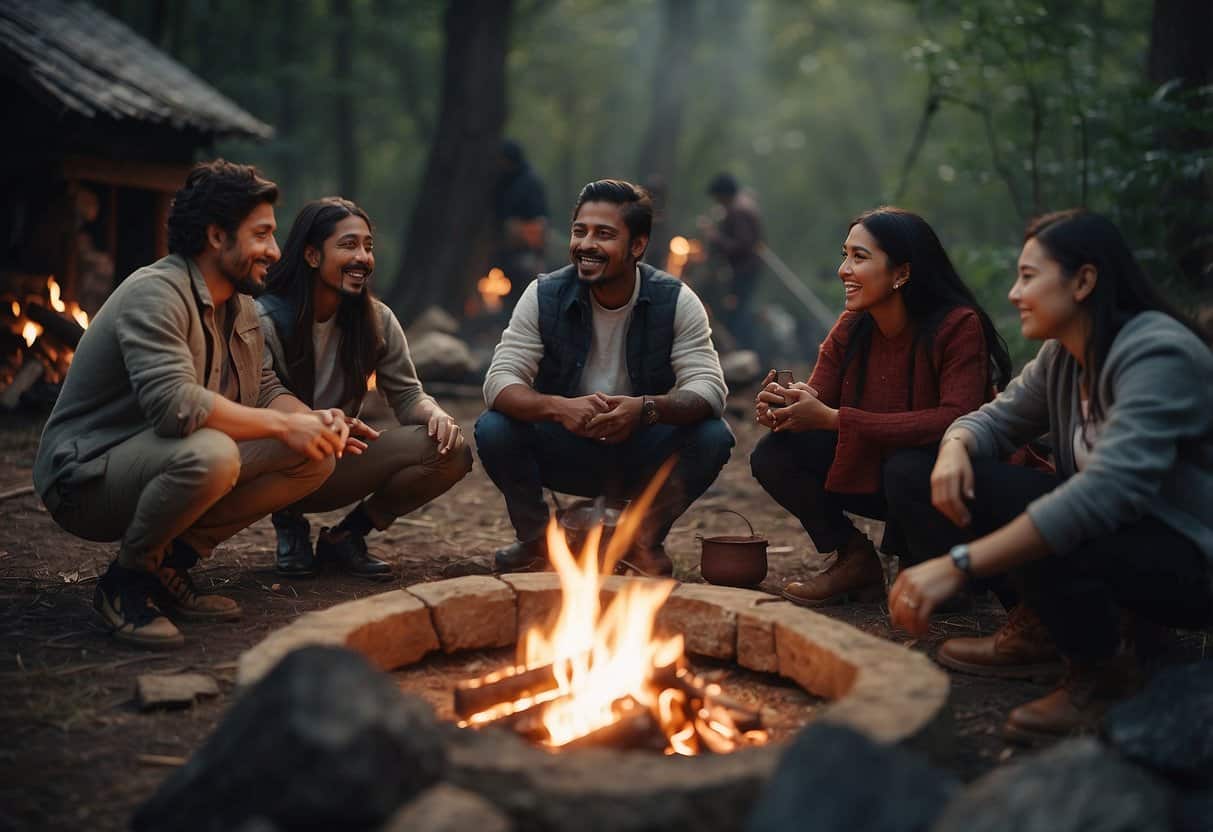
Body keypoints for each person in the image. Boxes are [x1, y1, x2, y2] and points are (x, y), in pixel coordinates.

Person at [887, 210, 1213, 743]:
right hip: (1121, 537)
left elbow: (1103, 495)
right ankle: (1043, 630)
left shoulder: (1157, 353)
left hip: (1191, 562)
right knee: (930, 472)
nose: (1015, 293)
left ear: (1084, 281)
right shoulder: (1063, 355)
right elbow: (991, 418)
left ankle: (1104, 675)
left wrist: (959, 565)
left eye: (1029, 277)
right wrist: (954, 447)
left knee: (1066, 513)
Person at [33, 160, 351, 649]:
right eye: (262, 234)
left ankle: (170, 565)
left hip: (162, 459)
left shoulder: (240, 301)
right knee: (212, 453)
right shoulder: (154, 293)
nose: (275, 250)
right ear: (217, 236)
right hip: (86, 478)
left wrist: (311, 421)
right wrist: (280, 427)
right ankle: (126, 584)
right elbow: (175, 406)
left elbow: (263, 388)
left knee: (317, 454)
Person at [750, 206, 1012, 606]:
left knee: (905, 468)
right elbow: (818, 396)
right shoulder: (853, 324)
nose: (844, 270)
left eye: (860, 257)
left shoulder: (958, 325)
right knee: (774, 455)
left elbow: (956, 419)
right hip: (878, 472)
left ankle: (945, 575)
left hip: (945, 485)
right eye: (845, 254)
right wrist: (788, 409)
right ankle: (855, 561)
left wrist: (835, 419)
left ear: (902, 273)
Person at [476, 179, 733, 577]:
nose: (586, 244)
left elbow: (709, 389)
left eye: (604, 234)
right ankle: (536, 543)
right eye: (580, 231)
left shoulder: (676, 300)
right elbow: (500, 380)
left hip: (639, 451)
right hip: (566, 444)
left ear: (637, 246)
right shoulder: (543, 295)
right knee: (494, 428)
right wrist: (559, 408)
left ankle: (640, 542)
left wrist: (645, 410)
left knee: (713, 436)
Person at [258, 197, 472, 578]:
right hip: (272, 467)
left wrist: (434, 413)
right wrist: (313, 423)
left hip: (337, 462)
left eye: (368, 247)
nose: (362, 257)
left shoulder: (378, 320)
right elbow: (259, 396)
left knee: (451, 450)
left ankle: (348, 537)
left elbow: (407, 394)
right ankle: (288, 521)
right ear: (311, 255)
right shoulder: (264, 319)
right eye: (348, 245)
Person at [702, 172, 763, 350]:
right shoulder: (741, 207)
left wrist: (714, 237)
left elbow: (743, 245)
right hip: (746, 269)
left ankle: (742, 350)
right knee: (739, 309)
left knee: (739, 311)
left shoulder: (738, 211)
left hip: (745, 270)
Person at [495, 139, 549, 313]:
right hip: (508, 248)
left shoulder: (529, 183)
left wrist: (535, 247)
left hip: (527, 247)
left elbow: (540, 221)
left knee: (525, 285)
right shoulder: (506, 181)